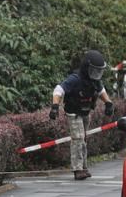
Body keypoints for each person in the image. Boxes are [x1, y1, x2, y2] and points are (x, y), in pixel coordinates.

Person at [49, 50, 114, 180]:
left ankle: (83, 167)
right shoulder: (75, 79)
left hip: (85, 113)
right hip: (74, 113)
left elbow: (101, 91)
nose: (96, 74)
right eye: (94, 70)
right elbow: (58, 90)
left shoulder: (95, 81)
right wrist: (55, 106)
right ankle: (77, 169)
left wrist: (108, 103)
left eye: (98, 71)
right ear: (86, 68)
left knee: (83, 140)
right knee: (78, 139)